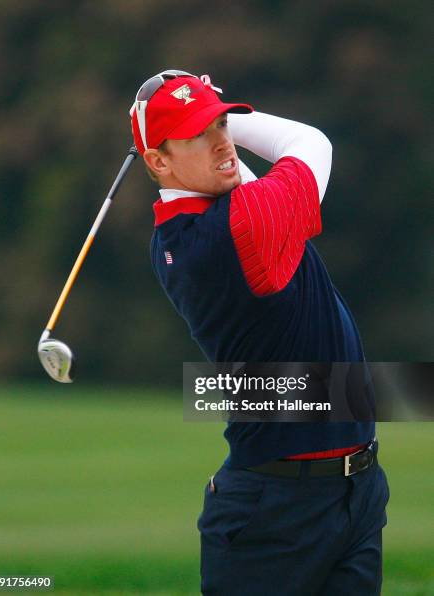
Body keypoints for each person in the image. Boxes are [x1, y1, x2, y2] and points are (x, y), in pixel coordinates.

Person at [129, 70, 389, 595]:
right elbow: (309, 142)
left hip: (354, 493)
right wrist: (240, 121)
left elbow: (225, 173)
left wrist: (198, 114)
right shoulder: (237, 229)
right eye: (198, 134)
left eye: (220, 123)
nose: (222, 142)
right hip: (275, 515)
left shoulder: (188, 223)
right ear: (157, 162)